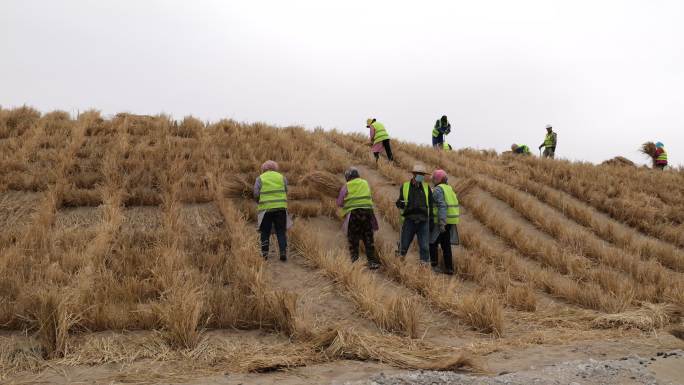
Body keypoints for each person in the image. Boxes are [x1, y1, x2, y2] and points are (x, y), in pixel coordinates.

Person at [336, 167, 381, 269]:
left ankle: (355, 262)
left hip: (354, 214)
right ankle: (372, 262)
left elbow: (339, 202)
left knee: (353, 238)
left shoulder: (346, 186)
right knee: (368, 238)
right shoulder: (365, 183)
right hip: (367, 213)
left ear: (348, 177)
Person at [396, 164, 433, 264]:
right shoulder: (405, 186)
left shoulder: (426, 187)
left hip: (423, 221)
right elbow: (401, 201)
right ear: (414, 174)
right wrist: (399, 203)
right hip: (409, 220)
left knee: (425, 247)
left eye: (422, 174)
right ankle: (398, 264)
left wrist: (432, 220)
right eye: (419, 174)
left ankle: (424, 268)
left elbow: (431, 204)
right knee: (404, 245)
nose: (421, 176)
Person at [254, 160, 289, 261]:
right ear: (275, 168)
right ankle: (283, 252)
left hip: (265, 209)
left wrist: (259, 202)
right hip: (281, 208)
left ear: (264, 169)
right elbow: (286, 190)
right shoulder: (282, 177)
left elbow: (256, 193)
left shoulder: (260, 178)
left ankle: (265, 254)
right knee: (281, 231)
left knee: (265, 232)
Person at [429, 169, 460, 275]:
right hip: (451, 220)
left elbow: (442, 206)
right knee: (446, 244)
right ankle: (449, 268)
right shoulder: (449, 188)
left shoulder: (438, 189)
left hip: (441, 220)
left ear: (437, 179)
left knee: (432, 242)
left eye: (434, 178)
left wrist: (442, 222)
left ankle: (434, 266)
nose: (432, 180)